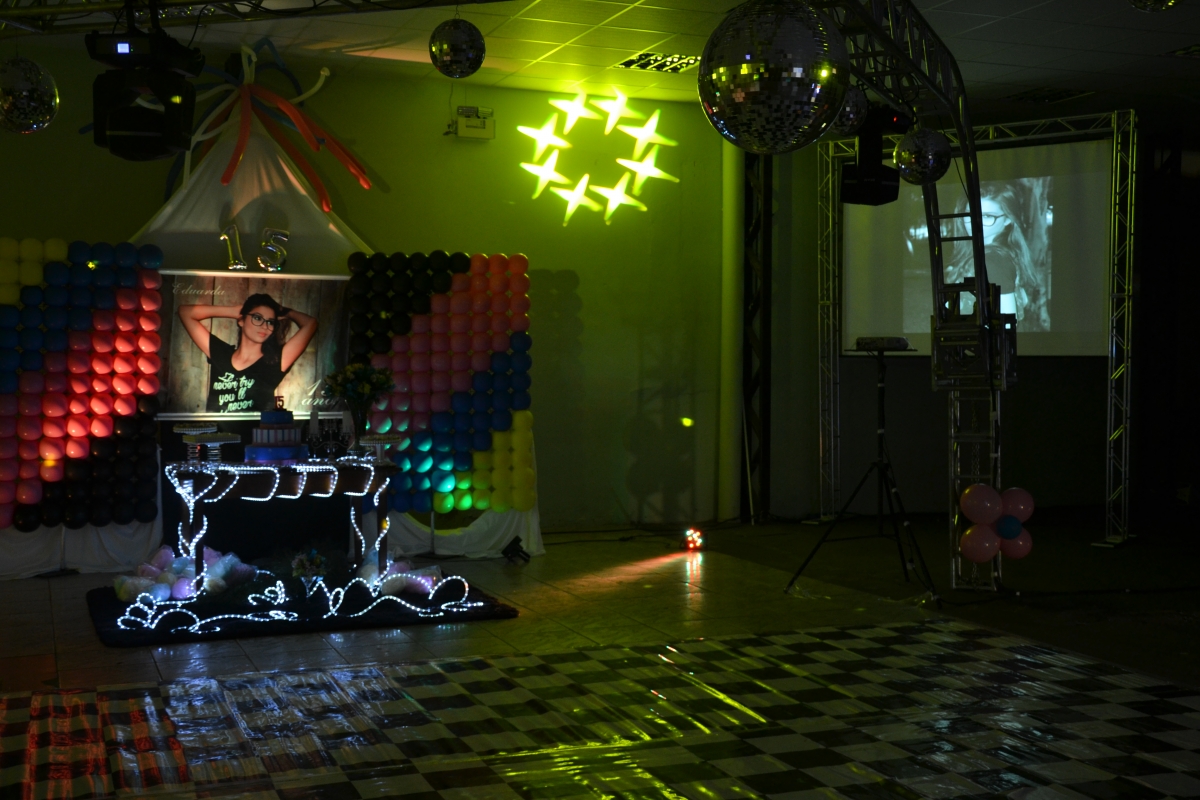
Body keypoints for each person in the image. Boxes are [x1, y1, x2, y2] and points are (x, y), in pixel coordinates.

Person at [178, 293, 318, 413]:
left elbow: (311, 324)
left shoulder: (276, 361)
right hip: (215, 435)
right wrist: (234, 311)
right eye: (257, 318)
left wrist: (284, 311)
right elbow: (185, 312)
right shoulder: (221, 353)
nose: (265, 326)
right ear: (241, 320)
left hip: (255, 436)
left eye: (270, 322)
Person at [944, 179, 1052, 331]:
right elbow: (1023, 298)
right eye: (970, 213)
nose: (975, 222)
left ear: (1008, 219)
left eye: (987, 216)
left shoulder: (992, 260)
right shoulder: (1006, 252)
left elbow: (1006, 325)